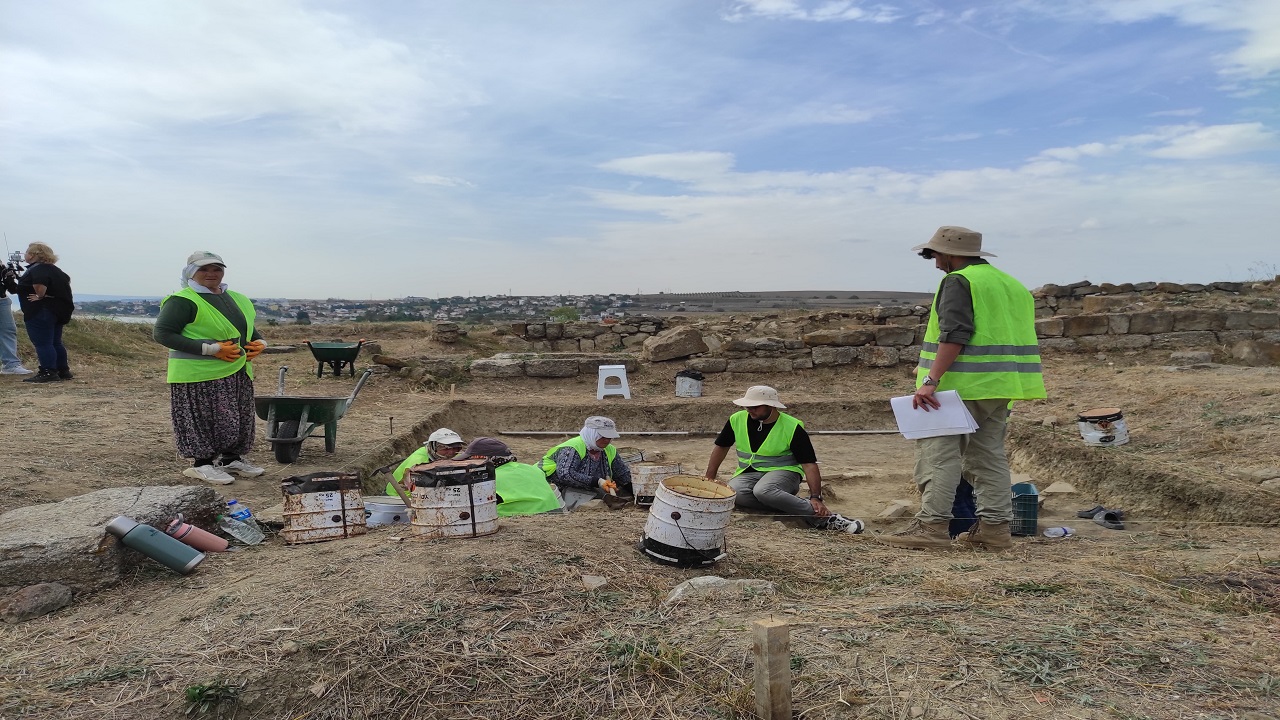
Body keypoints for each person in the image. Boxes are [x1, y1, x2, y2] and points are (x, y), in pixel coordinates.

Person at [876, 227, 1046, 551]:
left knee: (937, 456)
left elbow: (955, 333)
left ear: (950, 254)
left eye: (935, 256)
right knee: (988, 457)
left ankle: (932, 528)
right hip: (1002, 386)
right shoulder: (1012, 285)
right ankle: (995, 531)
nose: (936, 263)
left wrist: (930, 380)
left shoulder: (959, 281)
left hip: (961, 387)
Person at [153, 251, 267, 484]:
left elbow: (247, 328)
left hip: (237, 370)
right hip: (197, 373)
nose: (211, 274)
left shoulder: (238, 298)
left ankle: (231, 459)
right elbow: (162, 333)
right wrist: (211, 349)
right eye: (204, 269)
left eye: (216, 269)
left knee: (238, 418)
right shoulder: (183, 300)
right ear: (191, 273)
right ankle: (201, 464)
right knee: (203, 419)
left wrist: (260, 343)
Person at [704, 385, 863, 533]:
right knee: (733, 493)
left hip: (786, 474)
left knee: (764, 491)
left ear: (771, 406)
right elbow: (721, 447)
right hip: (749, 473)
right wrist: (709, 479)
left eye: (755, 407)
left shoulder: (792, 427)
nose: (749, 410)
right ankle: (797, 506)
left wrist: (816, 496)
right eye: (747, 406)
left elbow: (809, 464)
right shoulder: (736, 419)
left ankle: (826, 519)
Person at [11, 243, 74, 383]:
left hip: (41, 311)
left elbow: (40, 283)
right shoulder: (56, 270)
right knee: (55, 342)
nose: (25, 255)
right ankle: (62, 370)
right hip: (58, 310)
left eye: (27, 252)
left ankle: (48, 371)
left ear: (33, 255)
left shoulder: (38, 270)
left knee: (43, 343)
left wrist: (40, 295)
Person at [540, 416, 633, 510]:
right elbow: (566, 475)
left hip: (587, 488)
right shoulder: (572, 448)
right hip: (551, 487)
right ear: (592, 433)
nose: (607, 440)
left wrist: (637, 491)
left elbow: (623, 475)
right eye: (603, 436)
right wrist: (598, 481)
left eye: (610, 437)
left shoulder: (609, 450)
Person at [461, 437, 562, 516]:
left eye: (470, 459)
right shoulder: (531, 468)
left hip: (527, 517)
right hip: (556, 513)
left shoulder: (489, 477)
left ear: (484, 459)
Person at [386, 428, 466, 495]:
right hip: (398, 498)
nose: (451, 452)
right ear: (433, 447)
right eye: (445, 448)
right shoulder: (418, 462)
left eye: (456, 448)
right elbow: (409, 489)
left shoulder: (451, 455)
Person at [0, 256, 33, 376]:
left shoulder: (2, 266)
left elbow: (12, 289)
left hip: (2, 299)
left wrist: (9, 278)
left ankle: (11, 365)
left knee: (8, 330)